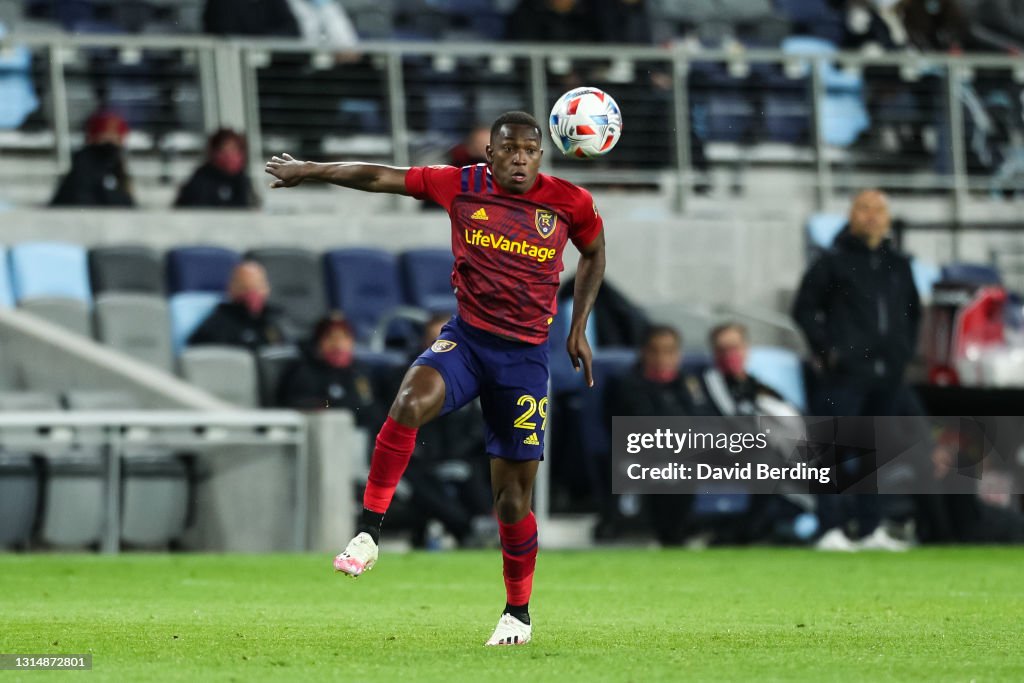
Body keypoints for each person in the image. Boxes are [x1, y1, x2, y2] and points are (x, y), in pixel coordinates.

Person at [265, 110, 606, 646]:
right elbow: (380, 176)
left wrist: (578, 326)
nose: (520, 157)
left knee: (513, 501)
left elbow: (593, 252)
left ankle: (517, 613)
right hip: (468, 342)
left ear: (541, 155)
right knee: (407, 400)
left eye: (529, 150)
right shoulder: (460, 185)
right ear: (488, 154)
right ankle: (369, 532)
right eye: (509, 148)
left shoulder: (570, 203)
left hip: (523, 361)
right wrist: (310, 169)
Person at [792, 189, 921, 552]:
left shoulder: (900, 264)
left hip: (887, 375)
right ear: (850, 216)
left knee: (875, 452)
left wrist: (902, 354)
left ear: (888, 217)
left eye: (878, 209)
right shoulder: (832, 262)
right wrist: (828, 351)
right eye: (863, 208)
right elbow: (803, 309)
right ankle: (830, 528)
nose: (871, 215)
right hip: (844, 374)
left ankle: (870, 529)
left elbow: (913, 314)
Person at [602, 325, 705, 545]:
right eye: (655, 350)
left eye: (669, 351)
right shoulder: (627, 385)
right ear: (644, 352)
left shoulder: (689, 385)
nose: (662, 358)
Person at [277, 313, 381, 427]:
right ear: (318, 343)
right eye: (331, 337)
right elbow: (298, 403)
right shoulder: (304, 372)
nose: (338, 345)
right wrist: (331, 404)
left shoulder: (360, 372)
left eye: (344, 337)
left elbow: (370, 405)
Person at [188, 261, 290, 350]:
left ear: (267, 289)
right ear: (231, 289)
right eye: (245, 288)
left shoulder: (276, 317)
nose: (253, 294)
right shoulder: (220, 322)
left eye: (258, 287)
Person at [50, 110, 134, 207]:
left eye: (115, 135)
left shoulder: (114, 161)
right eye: (106, 134)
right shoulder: (86, 161)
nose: (110, 138)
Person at [174, 128, 259, 209]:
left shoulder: (243, 180)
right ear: (214, 152)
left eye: (234, 150)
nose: (230, 155)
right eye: (225, 150)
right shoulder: (201, 179)